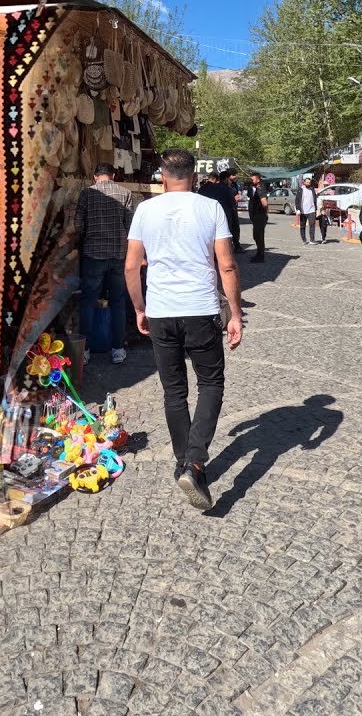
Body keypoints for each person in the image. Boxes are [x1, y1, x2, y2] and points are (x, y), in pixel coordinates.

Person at [125, 149, 244, 511]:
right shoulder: (210, 208)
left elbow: (131, 267)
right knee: (211, 384)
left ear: (163, 175)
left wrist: (139, 308)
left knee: (174, 391)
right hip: (200, 309)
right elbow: (226, 265)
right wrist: (235, 313)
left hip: (162, 311)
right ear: (193, 176)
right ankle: (193, 462)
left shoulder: (146, 210)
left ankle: (184, 462)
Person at [75, 163, 134, 365]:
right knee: (118, 301)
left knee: (88, 301)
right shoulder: (125, 193)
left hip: (93, 255)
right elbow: (130, 226)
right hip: (118, 255)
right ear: (113, 175)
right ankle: (118, 349)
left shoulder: (87, 194)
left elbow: (78, 225)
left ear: (94, 176)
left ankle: (85, 351)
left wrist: (87, 238)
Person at [199, 170, 241, 253]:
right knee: (224, 234)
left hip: (206, 215)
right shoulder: (224, 188)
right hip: (224, 214)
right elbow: (231, 202)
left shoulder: (203, 188)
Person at [245, 172, 269, 262]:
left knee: (259, 236)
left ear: (258, 178)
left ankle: (260, 256)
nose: (251, 180)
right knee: (256, 236)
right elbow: (250, 199)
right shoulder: (252, 187)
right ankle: (258, 254)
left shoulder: (261, 187)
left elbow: (264, 203)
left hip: (260, 215)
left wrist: (265, 212)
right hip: (254, 215)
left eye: (252, 179)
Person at [295, 176, 319, 245]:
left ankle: (312, 239)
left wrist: (316, 209)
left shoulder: (312, 189)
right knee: (302, 226)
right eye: (307, 182)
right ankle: (304, 240)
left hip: (312, 210)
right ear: (304, 182)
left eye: (309, 182)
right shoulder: (300, 190)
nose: (308, 183)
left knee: (312, 225)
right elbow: (297, 200)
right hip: (303, 210)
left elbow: (315, 199)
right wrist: (298, 209)